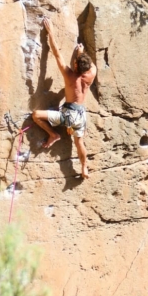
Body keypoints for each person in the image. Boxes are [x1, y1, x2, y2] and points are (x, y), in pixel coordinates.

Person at [32, 17, 97, 179]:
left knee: (36, 115)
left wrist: (51, 32)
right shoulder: (92, 72)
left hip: (68, 115)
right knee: (79, 142)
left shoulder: (70, 76)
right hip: (81, 115)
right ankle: (84, 167)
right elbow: (83, 62)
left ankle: (53, 134)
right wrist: (80, 53)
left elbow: (56, 53)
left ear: (75, 65)